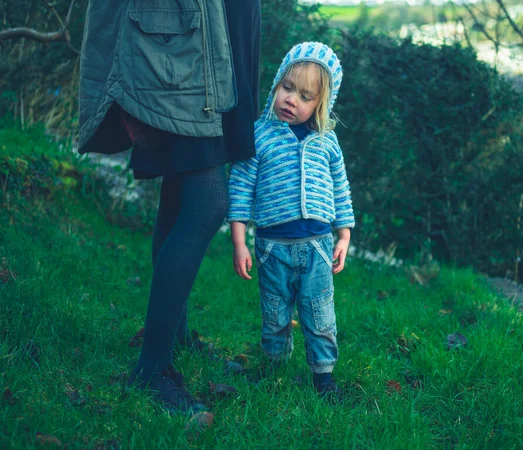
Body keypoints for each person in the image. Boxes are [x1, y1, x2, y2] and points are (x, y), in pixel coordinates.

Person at [77, 0, 261, 414]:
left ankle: (174, 339)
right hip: (175, 47)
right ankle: (150, 371)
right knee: (207, 205)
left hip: (215, 37)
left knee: (180, 197)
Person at [227, 42, 354, 396]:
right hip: (272, 248)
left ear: (320, 103)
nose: (291, 100)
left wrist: (343, 236)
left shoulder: (327, 142)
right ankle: (273, 367)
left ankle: (324, 376)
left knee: (319, 313)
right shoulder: (259, 135)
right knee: (275, 313)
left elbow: (340, 190)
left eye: (304, 95)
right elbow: (240, 186)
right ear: (276, 84)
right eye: (287, 87)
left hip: (317, 246)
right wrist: (239, 241)